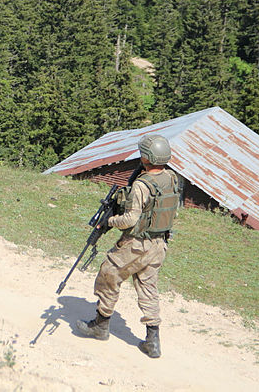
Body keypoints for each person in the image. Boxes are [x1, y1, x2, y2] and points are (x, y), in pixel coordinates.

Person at [75, 134, 180, 359]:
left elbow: (130, 219)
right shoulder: (172, 178)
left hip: (137, 245)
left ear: (146, 157)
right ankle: (153, 341)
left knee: (108, 274)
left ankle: (100, 325)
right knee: (148, 288)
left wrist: (110, 221)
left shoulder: (142, 185)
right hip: (159, 244)